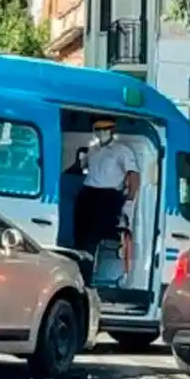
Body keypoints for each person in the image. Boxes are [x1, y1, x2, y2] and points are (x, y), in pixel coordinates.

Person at [73, 118, 140, 282]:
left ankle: (94, 277)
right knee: (80, 238)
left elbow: (134, 176)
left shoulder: (121, 150)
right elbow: (83, 167)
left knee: (100, 239)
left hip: (108, 198)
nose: (102, 133)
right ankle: (80, 275)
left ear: (112, 131)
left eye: (105, 130)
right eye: (98, 130)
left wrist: (129, 201)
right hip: (88, 195)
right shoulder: (93, 150)